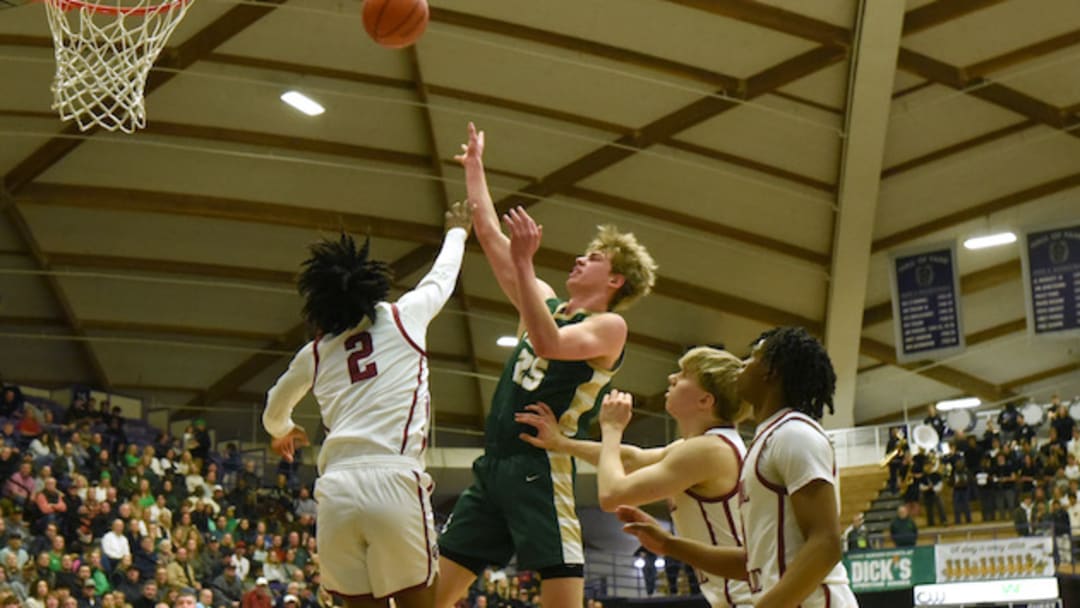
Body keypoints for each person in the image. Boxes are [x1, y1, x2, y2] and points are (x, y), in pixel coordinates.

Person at [435, 123, 657, 608]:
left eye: (593, 258)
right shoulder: (544, 301)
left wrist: (525, 264)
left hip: (541, 464)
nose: (579, 259)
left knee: (560, 593)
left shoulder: (610, 327)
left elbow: (549, 343)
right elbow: (490, 235)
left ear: (615, 280)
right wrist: (475, 168)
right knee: (432, 596)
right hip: (494, 464)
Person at [263, 201, 473, 608]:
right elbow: (442, 277)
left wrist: (283, 430)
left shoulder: (315, 353)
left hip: (336, 491)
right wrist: (457, 231)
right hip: (394, 479)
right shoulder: (403, 317)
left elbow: (273, 409)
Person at [621, 327, 857, 608]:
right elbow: (752, 562)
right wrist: (669, 545)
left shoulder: (794, 434)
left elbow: (825, 544)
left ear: (771, 372)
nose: (743, 364)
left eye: (753, 357)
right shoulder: (765, 441)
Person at [513, 347, 749, 607]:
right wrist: (561, 443)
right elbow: (630, 460)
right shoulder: (703, 446)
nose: (671, 377)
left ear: (705, 400)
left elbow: (612, 495)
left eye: (683, 375)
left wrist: (611, 429)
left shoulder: (709, 450)